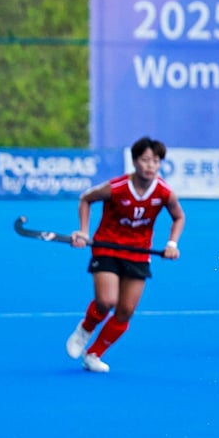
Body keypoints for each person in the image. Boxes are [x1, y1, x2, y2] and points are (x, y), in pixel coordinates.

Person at [65, 136, 185, 373]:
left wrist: (172, 243)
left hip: (138, 253)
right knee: (106, 301)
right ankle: (85, 328)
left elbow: (179, 217)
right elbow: (86, 199)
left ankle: (94, 353)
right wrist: (83, 231)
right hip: (107, 247)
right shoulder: (117, 187)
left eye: (156, 161)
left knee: (126, 311)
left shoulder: (164, 192)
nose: (150, 166)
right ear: (135, 161)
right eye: (145, 160)